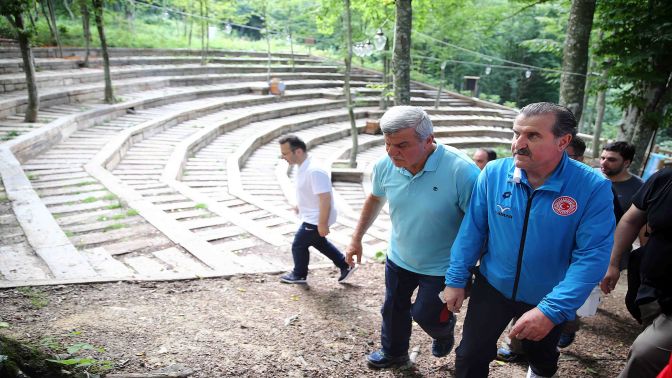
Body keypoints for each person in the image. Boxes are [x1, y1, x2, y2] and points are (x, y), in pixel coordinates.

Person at [443, 102, 615, 378]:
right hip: (492, 285)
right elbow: (473, 230)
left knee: (541, 357)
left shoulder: (592, 187)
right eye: (516, 134)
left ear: (564, 141)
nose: (518, 144)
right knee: (470, 354)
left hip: (549, 293)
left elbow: (592, 256)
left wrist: (551, 310)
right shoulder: (494, 173)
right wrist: (455, 278)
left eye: (532, 136)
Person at [345, 106, 479, 369]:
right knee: (393, 309)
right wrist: (356, 237)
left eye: (402, 145)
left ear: (428, 140)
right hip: (400, 255)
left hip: (443, 265)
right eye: (387, 144)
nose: (392, 152)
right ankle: (394, 353)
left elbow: (476, 225)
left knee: (426, 315)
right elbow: (374, 197)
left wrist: (467, 271)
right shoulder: (385, 165)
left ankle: (443, 330)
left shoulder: (462, 171)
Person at [601, 167, 672, 378]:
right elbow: (632, 220)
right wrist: (612, 263)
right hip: (653, 289)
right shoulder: (665, 179)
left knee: (645, 353)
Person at [278, 135, 356, 284]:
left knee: (299, 244)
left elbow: (325, 198)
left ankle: (299, 275)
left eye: (285, 153)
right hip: (311, 215)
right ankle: (345, 265)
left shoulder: (315, 170)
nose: (282, 157)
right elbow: (308, 191)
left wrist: (322, 223)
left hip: (317, 217)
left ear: (298, 152)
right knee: (319, 242)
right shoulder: (302, 166)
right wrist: (299, 206)